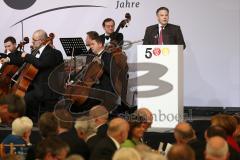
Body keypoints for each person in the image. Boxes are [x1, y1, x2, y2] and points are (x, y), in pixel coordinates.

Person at [19, 29, 63, 120]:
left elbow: (40, 64)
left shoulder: (51, 52)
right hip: (35, 86)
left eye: (34, 40)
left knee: (24, 99)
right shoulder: (35, 52)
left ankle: (32, 122)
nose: (32, 42)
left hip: (45, 89)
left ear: (42, 41)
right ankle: (30, 121)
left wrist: (27, 56)